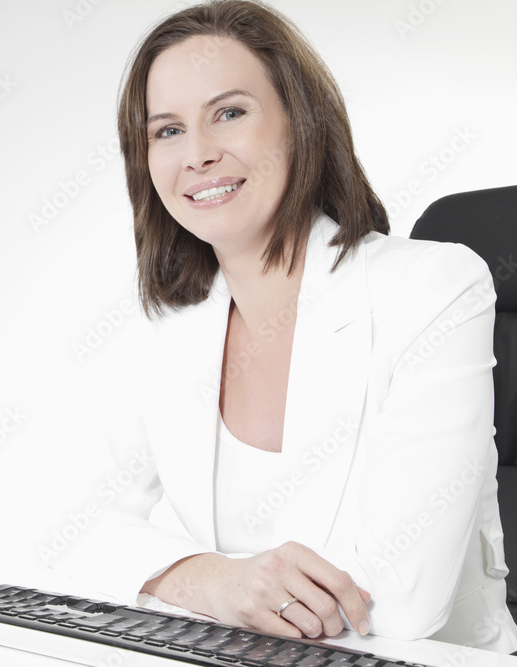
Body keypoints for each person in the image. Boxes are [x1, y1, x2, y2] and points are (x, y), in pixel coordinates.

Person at [50, 0, 517, 653]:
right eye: (167, 130)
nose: (198, 154)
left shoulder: (433, 287)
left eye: (230, 113)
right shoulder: (169, 326)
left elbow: (404, 604)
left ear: (302, 123)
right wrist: (214, 580)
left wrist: (182, 580)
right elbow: (73, 531)